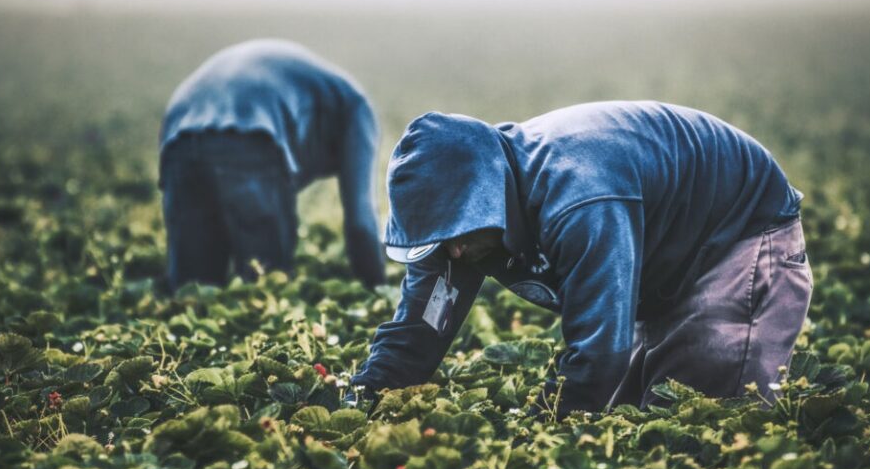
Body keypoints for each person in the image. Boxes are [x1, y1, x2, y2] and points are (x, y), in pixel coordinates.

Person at [350, 101, 813, 417]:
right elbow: (419, 330)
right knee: (638, 415)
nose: (452, 252)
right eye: (438, 239)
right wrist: (361, 400)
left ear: (487, 197)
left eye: (458, 233)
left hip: (739, 232)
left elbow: (599, 351)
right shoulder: (460, 232)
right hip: (660, 253)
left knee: (707, 414)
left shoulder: (579, 198)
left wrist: (538, 427)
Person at [159, 39, 385, 291]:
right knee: (265, 285)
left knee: (192, 291)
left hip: (178, 132)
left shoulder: (324, 97)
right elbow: (361, 222)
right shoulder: (359, 111)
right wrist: (377, 287)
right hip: (250, 129)